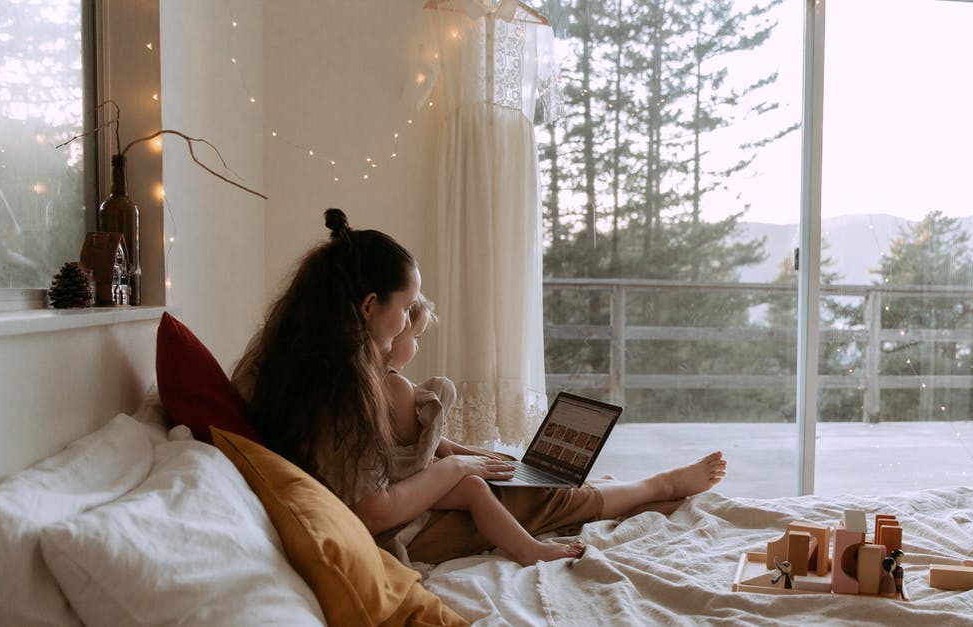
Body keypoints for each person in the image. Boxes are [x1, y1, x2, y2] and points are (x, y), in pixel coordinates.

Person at [233, 208, 728, 566]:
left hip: (381, 504)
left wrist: (458, 456)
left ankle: (623, 495)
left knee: (509, 479)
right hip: (387, 528)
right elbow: (371, 511)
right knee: (536, 497)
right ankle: (657, 488)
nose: (406, 323)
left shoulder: (285, 357)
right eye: (404, 309)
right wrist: (455, 466)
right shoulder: (340, 390)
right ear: (368, 306)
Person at [382, 295, 584, 565]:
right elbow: (414, 463)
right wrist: (458, 467)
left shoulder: (378, 380)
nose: (417, 347)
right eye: (416, 338)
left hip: (398, 481)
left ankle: (599, 487)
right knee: (474, 487)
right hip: (401, 487)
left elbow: (433, 443)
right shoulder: (395, 386)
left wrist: (470, 455)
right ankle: (529, 550)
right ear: (393, 334)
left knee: (493, 466)